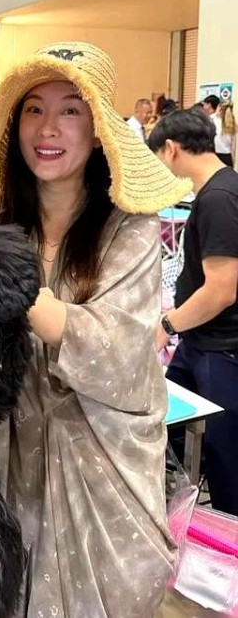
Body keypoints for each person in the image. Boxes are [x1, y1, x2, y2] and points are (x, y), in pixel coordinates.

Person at [0, 42, 190, 618]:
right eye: (34, 108)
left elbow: (119, 350)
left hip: (99, 470)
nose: (48, 128)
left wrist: (5, 280)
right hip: (9, 466)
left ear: (99, 130)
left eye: (71, 110)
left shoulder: (128, 231)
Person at [149, 108, 238, 516]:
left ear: (170, 149)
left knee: (225, 465)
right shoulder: (216, 191)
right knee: (166, 427)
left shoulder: (220, 198)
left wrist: (168, 324)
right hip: (199, 341)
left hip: (221, 349)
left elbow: (221, 290)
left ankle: (225, 539)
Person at [202, 94, 233, 165]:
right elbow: (233, 147)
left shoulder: (210, 119)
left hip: (214, 155)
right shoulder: (232, 123)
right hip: (227, 157)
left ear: (219, 108)